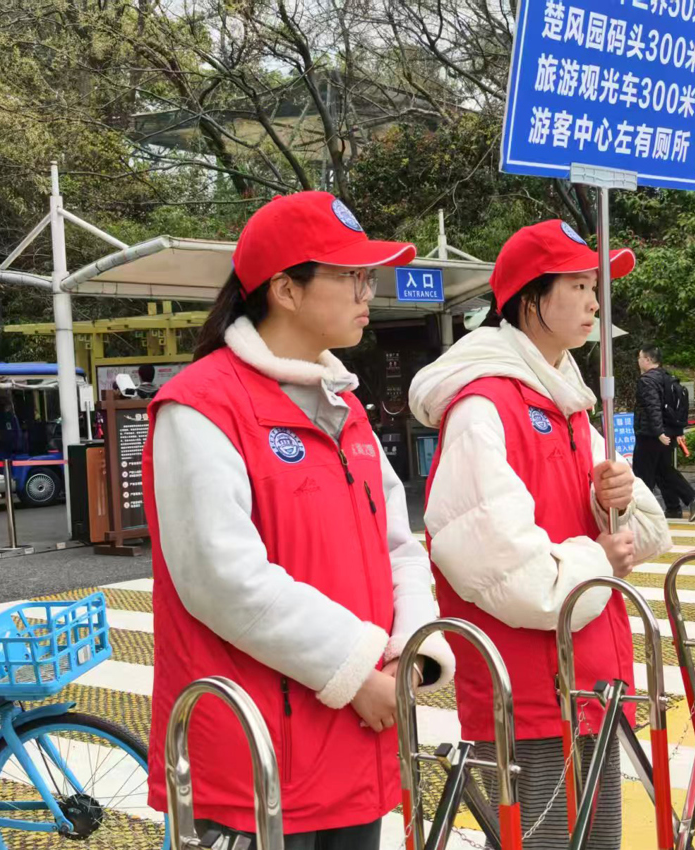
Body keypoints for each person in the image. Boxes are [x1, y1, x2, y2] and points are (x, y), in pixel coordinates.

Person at [142, 191, 454, 847]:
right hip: (254, 762)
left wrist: (409, 649)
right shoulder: (200, 406)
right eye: (350, 276)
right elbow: (222, 578)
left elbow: (398, 546)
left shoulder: (346, 408)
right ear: (285, 289)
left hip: (355, 738)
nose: (367, 293)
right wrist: (356, 670)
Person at [410, 219, 672, 850]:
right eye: (578, 286)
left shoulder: (568, 403)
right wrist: (599, 560)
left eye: (595, 287)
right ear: (530, 299)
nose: (594, 302)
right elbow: (506, 570)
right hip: (528, 697)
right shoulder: (483, 407)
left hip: (589, 687)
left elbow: (646, 537)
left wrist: (609, 504)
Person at [633, 345, 695, 521]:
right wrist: (677, 431)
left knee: (643, 474)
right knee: (663, 471)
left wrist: (658, 431)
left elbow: (653, 407)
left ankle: (644, 513)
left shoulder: (647, 380)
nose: (638, 361)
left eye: (640, 358)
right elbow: (675, 407)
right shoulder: (668, 377)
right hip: (668, 432)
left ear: (648, 360)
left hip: (651, 434)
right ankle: (673, 508)